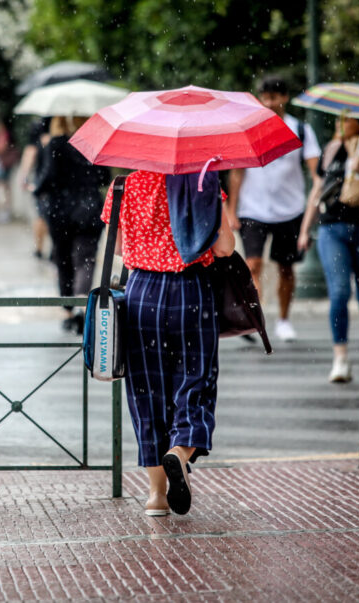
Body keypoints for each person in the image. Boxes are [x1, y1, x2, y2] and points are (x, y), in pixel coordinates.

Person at [102, 169, 235, 517]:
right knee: (196, 381)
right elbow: (225, 247)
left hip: (140, 294)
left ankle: (156, 496)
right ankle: (179, 450)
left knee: (146, 392)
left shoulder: (122, 185)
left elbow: (115, 246)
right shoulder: (203, 182)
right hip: (191, 290)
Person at [226, 75, 321, 342]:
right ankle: (256, 318)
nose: (268, 103)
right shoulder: (250, 129)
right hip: (253, 208)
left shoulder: (301, 130)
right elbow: (237, 173)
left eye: (273, 97)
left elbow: (315, 171)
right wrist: (232, 210)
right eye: (264, 97)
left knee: (286, 268)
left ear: (284, 98)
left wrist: (316, 194)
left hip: (289, 209)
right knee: (253, 264)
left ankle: (283, 319)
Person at [298, 115, 359, 383]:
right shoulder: (331, 148)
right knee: (339, 291)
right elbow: (319, 189)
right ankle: (341, 357)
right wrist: (305, 229)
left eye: (347, 120)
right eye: (338, 120)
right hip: (331, 227)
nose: (340, 124)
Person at [33, 115, 111, 333]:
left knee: (63, 259)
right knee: (85, 260)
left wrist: (36, 188)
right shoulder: (93, 144)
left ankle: (68, 311)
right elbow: (104, 177)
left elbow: (47, 178)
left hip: (61, 212)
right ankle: (81, 305)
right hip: (89, 210)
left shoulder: (56, 145)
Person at [18, 117, 52, 259]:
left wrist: (24, 176)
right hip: (60, 182)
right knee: (51, 216)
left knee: (41, 216)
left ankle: (39, 249)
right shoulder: (65, 122)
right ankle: (54, 249)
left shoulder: (39, 124)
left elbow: (31, 152)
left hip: (42, 181)